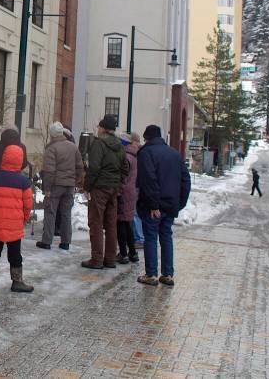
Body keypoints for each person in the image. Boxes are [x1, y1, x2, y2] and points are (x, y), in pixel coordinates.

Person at [136, 125, 191, 287]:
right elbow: (185, 181)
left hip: (153, 205)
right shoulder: (174, 154)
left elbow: (149, 180)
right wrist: (179, 204)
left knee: (151, 237)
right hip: (170, 205)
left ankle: (151, 274)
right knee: (166, 237)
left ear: (146, 138)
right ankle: (167, 274)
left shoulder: (146, 153)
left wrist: (153, 205)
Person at [0, 144, 34, 293]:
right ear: (20, 160)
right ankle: (17, 281)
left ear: (4, 158)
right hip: (15, 224)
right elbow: (28, 204)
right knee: (15, 253)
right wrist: (23, 219)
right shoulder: (23, 182)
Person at [82, 115, 129, 270]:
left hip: (99, 188)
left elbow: (94, 168)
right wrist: (116, 181)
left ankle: (96, 259)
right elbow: (125, 169)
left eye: (99, 127)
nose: (97, 129)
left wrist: (87, 186)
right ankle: (110, 259)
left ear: (103, 128)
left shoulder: (99, 143)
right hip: (113, 189)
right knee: (111, 224)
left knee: (95, 222)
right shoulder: (121, 146)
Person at [37, 121, 83, 251]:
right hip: (69, 185)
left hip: (56, 185)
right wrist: (76, 181)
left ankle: (47, 241)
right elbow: (80, 167)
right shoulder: (73, 147)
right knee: (66, 213)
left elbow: (49, 171)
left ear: (52, 134)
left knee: (50, 212)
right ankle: (65, 242)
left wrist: (47, 188)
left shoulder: (51, 148)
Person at [116, 132, 141, 265]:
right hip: (132, 192)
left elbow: (123, 177)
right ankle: (132, 252)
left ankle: (124, 254)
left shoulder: (126, 157)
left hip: (124, 192)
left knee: (121, 223)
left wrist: (118, 191)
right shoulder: (136, 156)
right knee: (128, 223)